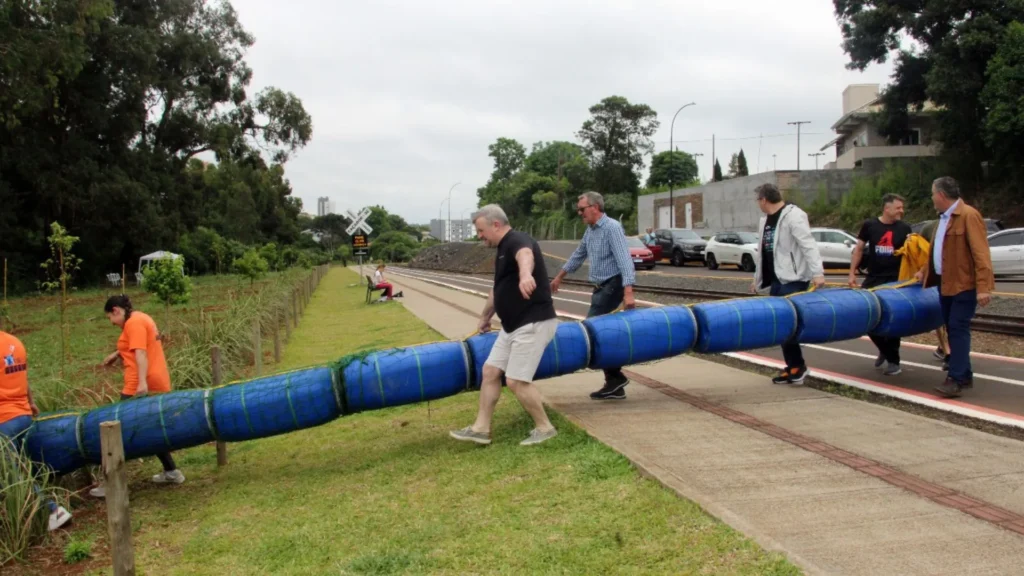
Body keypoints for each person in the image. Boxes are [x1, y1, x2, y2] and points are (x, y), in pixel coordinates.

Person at [449, 205, 560, 446]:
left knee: (516, 381)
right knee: (490, 372)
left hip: (533, 322)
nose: (479, 236)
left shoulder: (516, 240)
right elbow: (496, 290)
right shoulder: (501, 250)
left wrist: (525, 276)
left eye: (481, 230)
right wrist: (485, 317)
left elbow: (525, 255)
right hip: (512, 326)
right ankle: (481, 428)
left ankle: (545, 427)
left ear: (495, 224)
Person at [90, 295, 184, 498]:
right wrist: (117, 354)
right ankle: (171, 471)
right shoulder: (140, 318)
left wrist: (142, 384)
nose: (111, 323)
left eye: (110, 317)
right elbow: (139, 344)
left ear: (116, 310)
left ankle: (111, 482)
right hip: (156, 380)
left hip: (139, 385)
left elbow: (140, 353)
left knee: (115, 432)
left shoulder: (133, 324)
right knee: (152, 429)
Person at [551, 191, 637, 400]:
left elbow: (625, 261)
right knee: (601, 333)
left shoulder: (612, 228)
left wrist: (628, 292)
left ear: (595, 207)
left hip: (612, 284)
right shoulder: (590, 231)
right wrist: (559, 277)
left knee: (592, 331)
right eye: (579, 210)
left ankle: (615, 378)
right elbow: (579, 254)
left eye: (582, 209)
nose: (580, 213)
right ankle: (615, 383)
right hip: (600, 287)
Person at [915, 177, 994, 398]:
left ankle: (956, 378)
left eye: (932, 194)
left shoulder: (968, 215)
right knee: (952, 328)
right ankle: (964, 373)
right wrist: (923, 270)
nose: (931, 198)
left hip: (964, 284)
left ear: (941, 195)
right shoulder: (943, 219)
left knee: (958, 328)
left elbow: (981, 253)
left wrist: (984, 287)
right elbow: (937, 251)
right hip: (945, 283)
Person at [750, 183, 825, 385]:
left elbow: (808, 244)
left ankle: (797, 366)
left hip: (794, 278)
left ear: (764, 199)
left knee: (787, 322)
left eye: (758, 200)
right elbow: (763, 252)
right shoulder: (765, 220)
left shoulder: (793, 215)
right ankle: (794, 365)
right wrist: (756, 279)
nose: (758, 204)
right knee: (780, 324)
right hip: (776, 279)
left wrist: (817, 273)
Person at [1, 330, 73, 531]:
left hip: (4, 422)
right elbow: (23, 378)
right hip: (23, 414)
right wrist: (31, 403)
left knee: (13, 475)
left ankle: (52, 511)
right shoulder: (14, 342)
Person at [848, 194, 913, 376]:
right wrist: (852, 272)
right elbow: (859, 249)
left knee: (894, 320)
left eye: (902, 207)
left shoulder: (905, 228)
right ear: (887, 208)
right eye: (898, 207)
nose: (902, 211)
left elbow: (913, 251)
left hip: (896, 279)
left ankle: (894, 360)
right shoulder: (870, 226)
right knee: (866, 316)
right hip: (874, 278)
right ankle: (885, 350)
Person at [918, 219, 951, 364]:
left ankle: (946, 348)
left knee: (950, 317)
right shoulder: (930, 227)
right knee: (941, 314)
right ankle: (945, 349)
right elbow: (922, 249)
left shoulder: (961, 224)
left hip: (951, 278)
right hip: (935, 276)